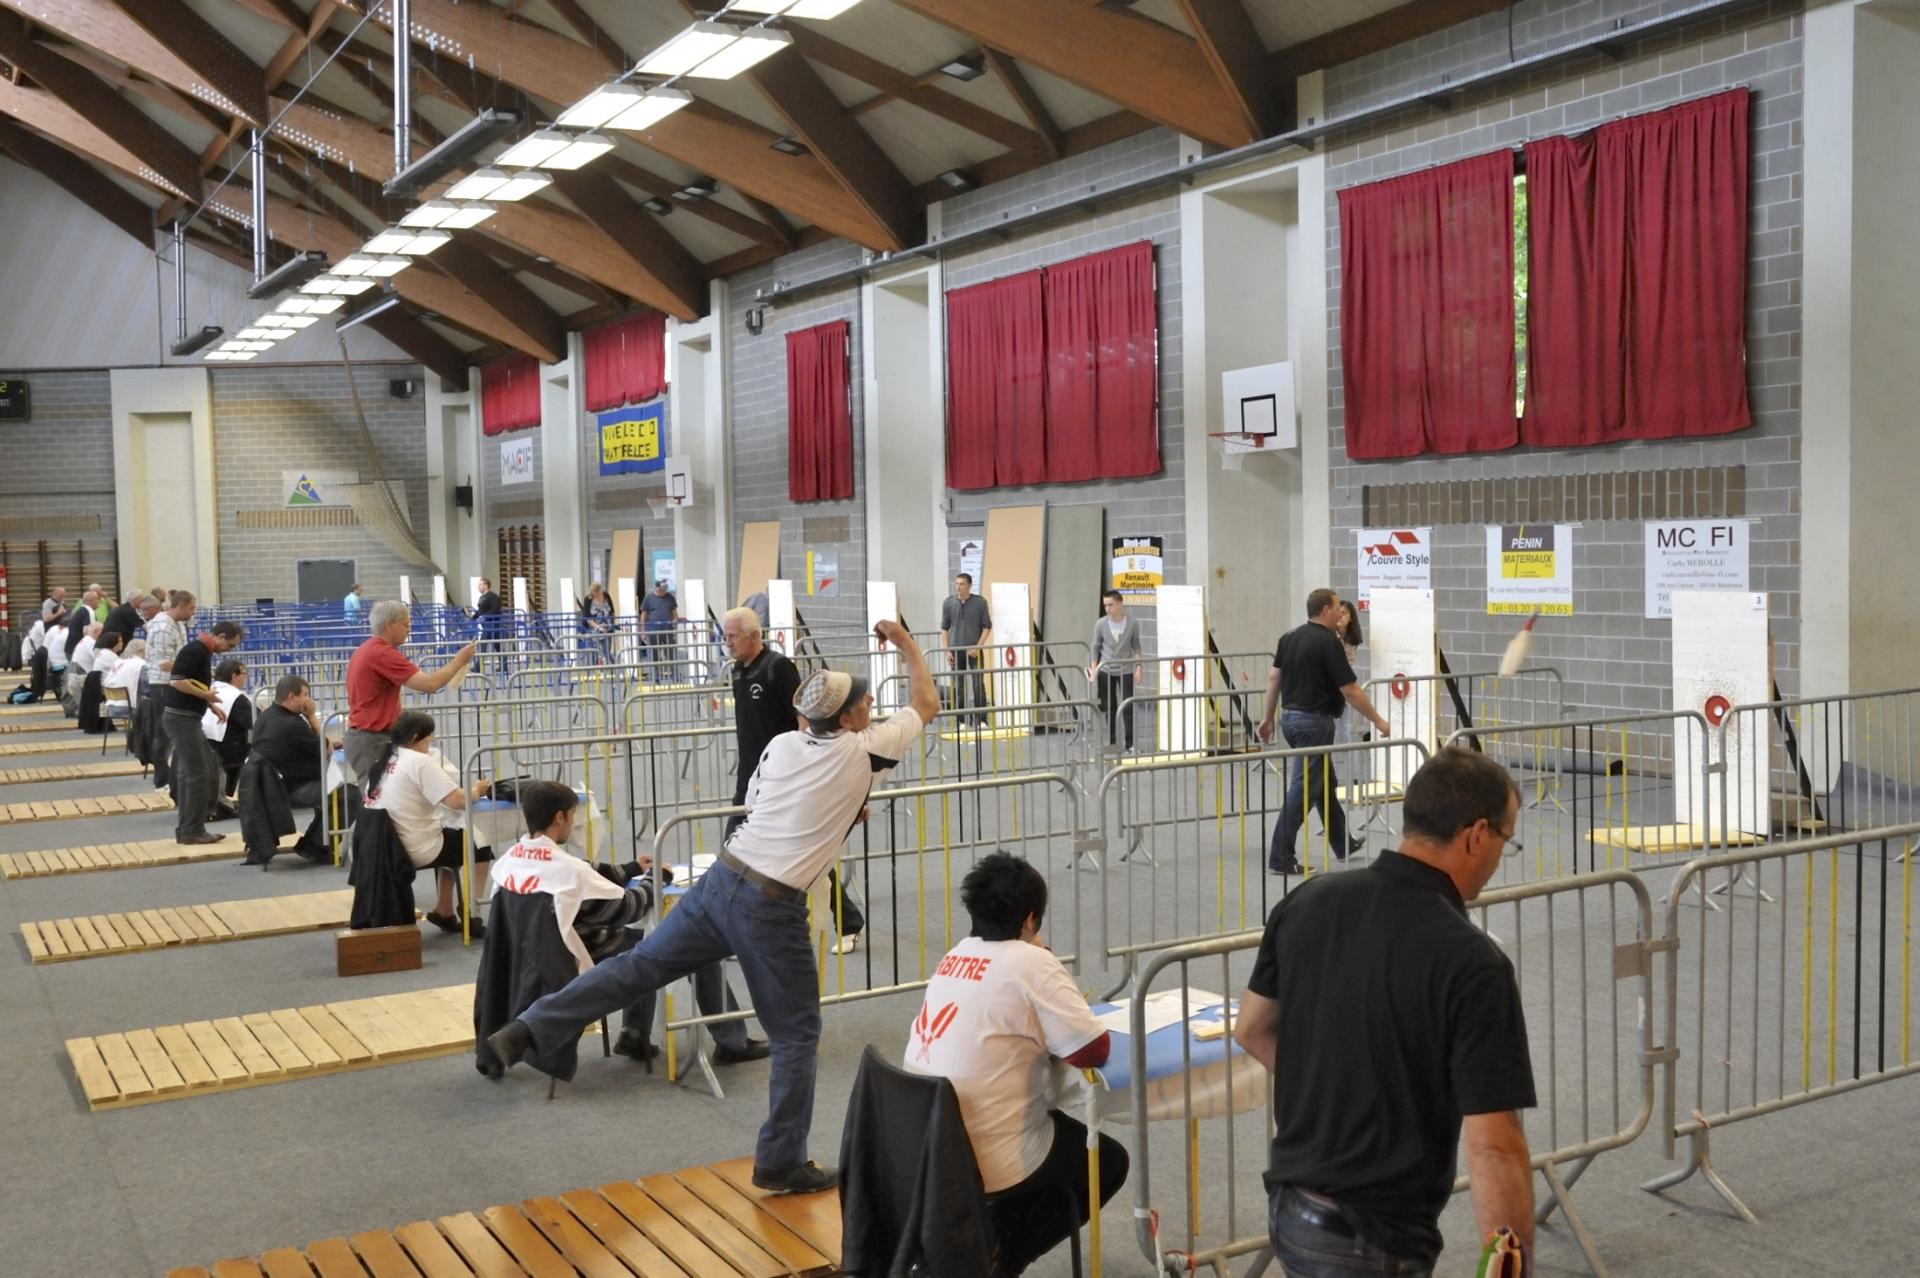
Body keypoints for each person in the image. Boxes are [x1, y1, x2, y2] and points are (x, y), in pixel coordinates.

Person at [488, 619, 940, 1194]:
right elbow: (926, 701)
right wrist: (905, 643)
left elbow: (765, 806)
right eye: (866, 702)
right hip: (771, 904)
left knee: (636, 968)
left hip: (722, 880)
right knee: (798, 1033)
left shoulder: (781, 745)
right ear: (848, 719)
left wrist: (843, 809)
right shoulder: (862, 750)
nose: (873, 707)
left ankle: (529, 1026)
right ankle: (780, 1159)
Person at [1233, 747, 1537, 1277]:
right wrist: (1512, 1265)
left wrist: (1337, 1092)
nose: (1497, 858)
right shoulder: (1473, 962)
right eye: (1505, 842)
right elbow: (1494, 1146)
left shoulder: (1307, 901)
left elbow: (1252, 1029)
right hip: (1374, 1234)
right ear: (1476, 836)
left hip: (1290, 1207)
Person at [903, 852, 1130, 1275]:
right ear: (1030, 918)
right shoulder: (1030, 961)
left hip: (927, 1146)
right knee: (1107, 1162)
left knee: (1053, 1143)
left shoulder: (953, 957)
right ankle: (1000, 1262)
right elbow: (1091, 1050)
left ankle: (977, 1253)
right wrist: (1042, 956)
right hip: (988, 1151)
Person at [724, 606, 861, 955]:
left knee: (803, 857)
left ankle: (849, 921)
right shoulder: (738, 671)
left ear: (754, 636)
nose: (727, 643)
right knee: (734, 854)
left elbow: (805, 718)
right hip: (752, 778)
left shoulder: (778, 667)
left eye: (733, 636)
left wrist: (813, 767)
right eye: (725, 636)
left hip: (785, 781)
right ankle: (730, 932)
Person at [1257, 589, 1391, 875]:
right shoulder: (1328, 643)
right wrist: (1378, 721)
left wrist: (1267, 718)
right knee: (1304, 790)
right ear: (1325, 611)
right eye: (1336, 608)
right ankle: (1281, 856)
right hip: (1314, 724)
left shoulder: (1288, 638)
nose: (1340, 613)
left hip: (1290, 720)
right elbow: (1351, 690)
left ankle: (1342, 842)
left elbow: (1273, 678)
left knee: (1323, 783)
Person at [362, 710, 492, 934]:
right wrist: (477, 790)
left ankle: (444, 909)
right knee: (481, 846)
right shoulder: (419, 761)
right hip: (412, 848)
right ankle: (473, 914)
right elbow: (457, 801)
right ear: (415, 738)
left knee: (453, 837)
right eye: (429, 736)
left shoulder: (384, 759)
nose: (431, 741)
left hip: (381, 848)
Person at [342, 600, 475, 784]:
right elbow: (429, 684)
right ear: (390, 624)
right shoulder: (383, 654)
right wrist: (459, 661)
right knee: (377, 800)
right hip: (371, 739)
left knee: (382, 796)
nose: (409, 629)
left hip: (368, 735)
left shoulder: (366, 649)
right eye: (406, 625)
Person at [163, 620, 246, 845]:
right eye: (230, 644)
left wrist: (211, 705)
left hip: (185, 716)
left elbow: (192, 684)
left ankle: (187, 828)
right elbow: (177, 682)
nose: (230, 650)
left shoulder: (202, 651)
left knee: (188, 773)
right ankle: (193, 829)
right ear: (219, 635)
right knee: (198, 773)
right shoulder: (196, 651)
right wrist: (207, 697)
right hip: (182, 718)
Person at [249, 674, 335, 859]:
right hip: (294, 789)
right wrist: (312, 717)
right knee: (345, 795)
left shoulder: (266, 717)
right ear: (291, 697)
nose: (309, 699)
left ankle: (314, 841)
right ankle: (314, 845)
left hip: (270, 786)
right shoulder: (292, 724)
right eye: (305, 694)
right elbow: (325, 748)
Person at [144, 591, 195, 789]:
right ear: (180, 605)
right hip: (163, 685)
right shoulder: (164, 627)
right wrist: (191, 668)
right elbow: (165, 663)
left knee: (168, 731)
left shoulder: (176, 624)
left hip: (173, 682)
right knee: (163, 732)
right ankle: (161, 779)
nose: (193, 613)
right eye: (191, 608)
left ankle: (169, 776)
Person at [1087, 589, 1144, 751]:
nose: (1108, 608)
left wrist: (1139, 667)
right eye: (1105, 605)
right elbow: (1095, 647)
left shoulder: (1132, 623)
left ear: (1120, 604)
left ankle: (1130, 743)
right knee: (1110, 707)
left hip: (1126, 669)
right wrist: (1094, 670)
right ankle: (1112, 742)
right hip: (1106, 670)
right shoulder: (1101, 624)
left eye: (1111, 605)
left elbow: (1137, 647)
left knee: (1127, 706)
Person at [939, 572, 992, 724]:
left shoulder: (980, 602)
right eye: (956, 584)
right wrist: (947, 650)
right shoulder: (948, 603)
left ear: (969, 585)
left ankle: (981, 720)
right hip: (956, 650)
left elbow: (987, 626)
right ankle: (960, 721)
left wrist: (979, 646)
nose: (958, 587)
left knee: (978, 685)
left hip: (974, 649)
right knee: (957, 686)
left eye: (961, 584)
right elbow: (944, 628)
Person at [202, 659, 254, 798]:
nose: (246, 677)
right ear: (234, 676)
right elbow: (253, 721)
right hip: (227, 750)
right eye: (244, 673)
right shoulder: (236, 697)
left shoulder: (209, 690)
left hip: (206, 743)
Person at [641, 579, 678, 675]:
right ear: (656, 588)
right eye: (662, 589)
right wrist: (643, 632)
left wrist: (675, 624)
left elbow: (674, 614)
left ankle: (675, 675)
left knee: (671, 654)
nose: (664, 591)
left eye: (665, 589)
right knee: (654, 655)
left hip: (668, 631)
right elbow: (643, 616)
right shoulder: (648, 598)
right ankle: (656, 676)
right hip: (653, 631)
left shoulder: (670, 598)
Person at [580, 582, 615, 663]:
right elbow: (587, 618)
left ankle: (607, 665)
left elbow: (612, 611)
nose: (598, 594)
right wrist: (598, 627)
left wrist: (612, 624)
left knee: (607, 649)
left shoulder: (606, 595)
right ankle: (602, 666)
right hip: (595, 628)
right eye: (595, 593)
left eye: (599, 592)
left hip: (608, 627)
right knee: (599, 650)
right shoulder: (588, 599)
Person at [1336, 601, 1364, 668]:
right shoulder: (1329, 636)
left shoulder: (1352, 638)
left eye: (1343, 613)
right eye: (1337, 613)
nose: (1339, 616)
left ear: (1350, 618)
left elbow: (1349, 665)